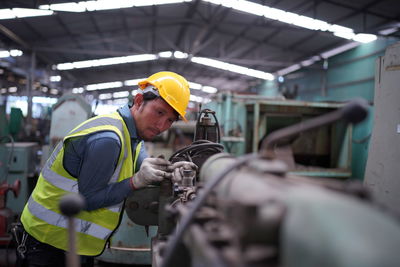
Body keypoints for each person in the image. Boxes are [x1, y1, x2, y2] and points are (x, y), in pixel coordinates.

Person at [17, 71, 197, 267]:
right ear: (138, 101)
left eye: (170, 120)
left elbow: (139, 152)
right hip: (48, 245)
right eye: (159, 112)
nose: (162, 125)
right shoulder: (108, 140)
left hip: (73, 244)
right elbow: (87, 200)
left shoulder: (130, 132)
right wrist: (135, 182)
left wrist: (156, 166)